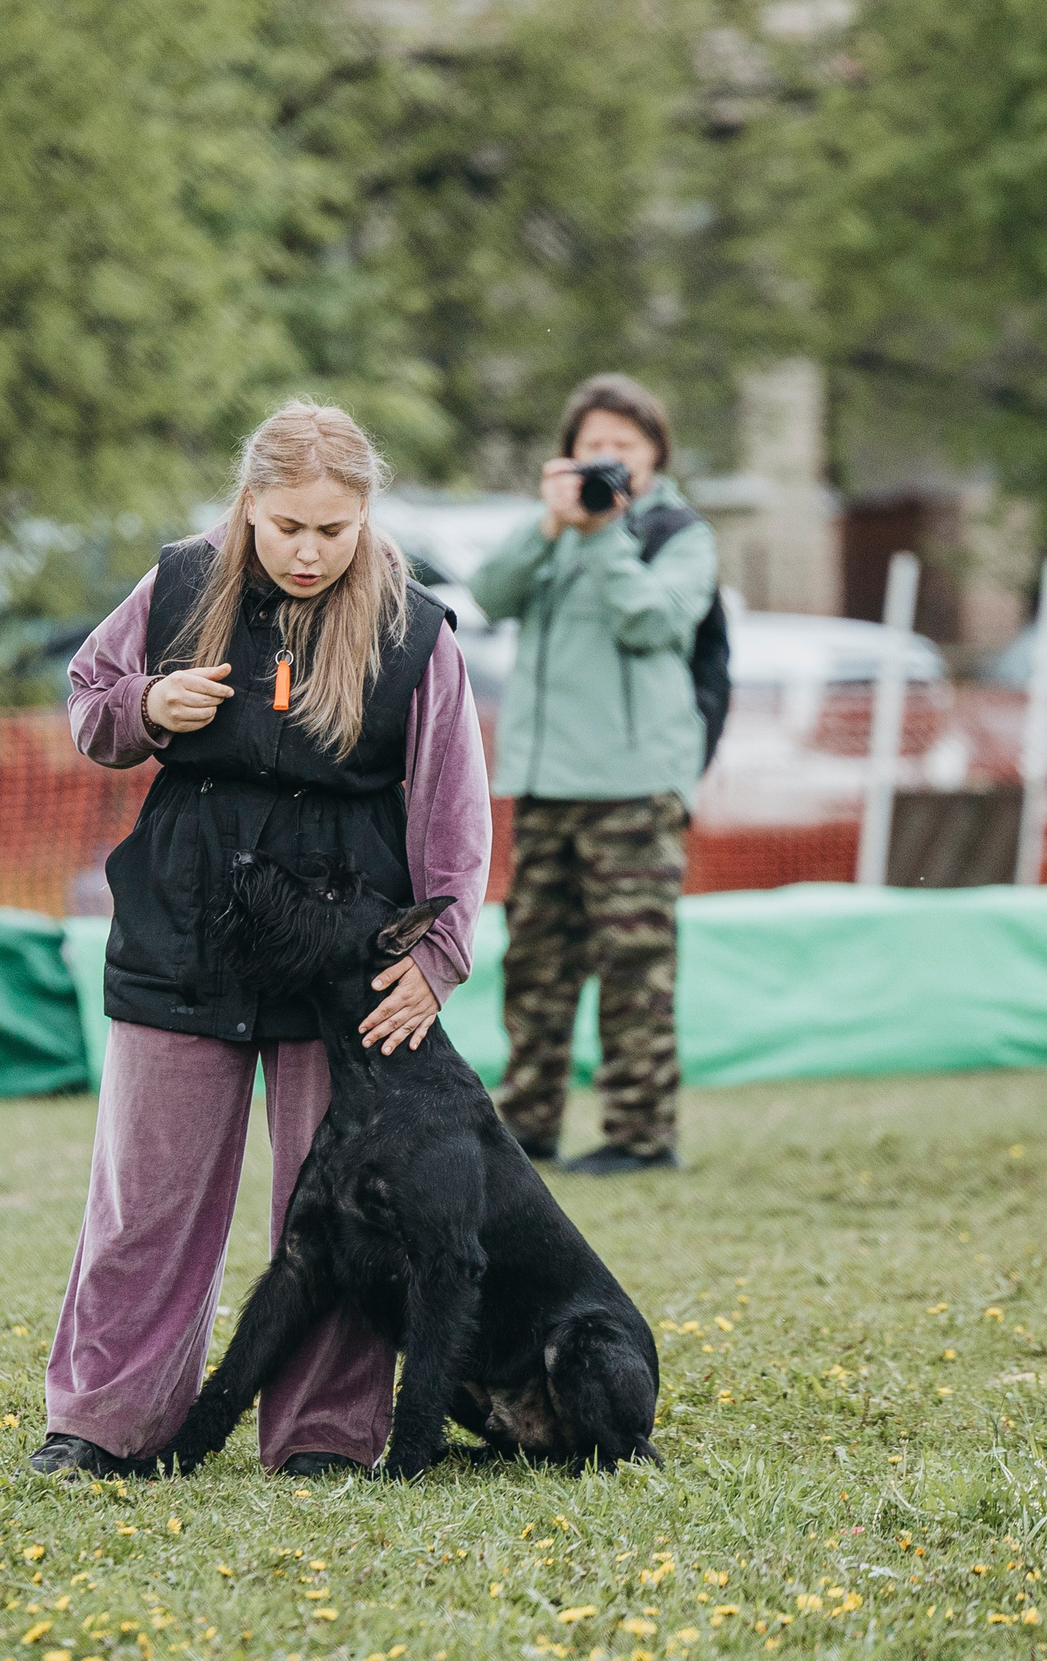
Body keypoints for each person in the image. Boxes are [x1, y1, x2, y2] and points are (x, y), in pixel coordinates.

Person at [37, 400, 493, 1479]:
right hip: (183, 929)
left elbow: (452, 814)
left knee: (333, 1204)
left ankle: (324, 1436)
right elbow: (89, 703)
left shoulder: (415, 629)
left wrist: (436, 960)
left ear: (364, 517)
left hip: (345, 958)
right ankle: (104, 1422)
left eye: (332, 530)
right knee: (144, 1199)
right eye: (286, 525)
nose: (306, 550)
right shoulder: (178, 584)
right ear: (247, 505)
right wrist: (152, 703)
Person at [473, 374, 717, 1176]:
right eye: (592, 447)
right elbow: (488, 594)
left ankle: (642, 1135)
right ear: (566, 455)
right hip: (544, 782)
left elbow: (651, 621)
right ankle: (527, 1127)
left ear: (655, 456)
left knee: (633, 966)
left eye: (624, 447)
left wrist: (606, 532)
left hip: (633, 786)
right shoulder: (550, 532)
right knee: (535, 965)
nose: (607, 462)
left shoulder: (678, 534)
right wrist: (553, 524)